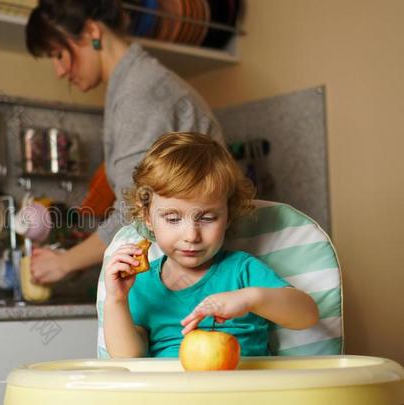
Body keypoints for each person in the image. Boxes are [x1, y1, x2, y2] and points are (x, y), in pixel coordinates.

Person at [25, 0, 225, 284]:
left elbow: (134, 212)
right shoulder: (136, 84)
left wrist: (64, 263)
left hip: (202, 280)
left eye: (59, 54)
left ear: (92, 32)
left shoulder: (139, 95)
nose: (58, 70)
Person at [103, 132, 319, 358]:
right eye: (173, 218)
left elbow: (307, 315)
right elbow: (128, 359)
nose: (191, 236)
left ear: (229, 216)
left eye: (207, 218)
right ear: (147, 216)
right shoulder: (141, 283)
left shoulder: (242, 270)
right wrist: (116, 300)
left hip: (243, 391)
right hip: (170, 392)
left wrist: (249, 299)